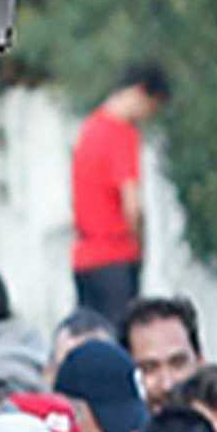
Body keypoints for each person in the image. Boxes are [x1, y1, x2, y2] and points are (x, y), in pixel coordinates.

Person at [66, 62, 165, 320]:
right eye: (152, 108)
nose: (147, 117)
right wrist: (141, 245)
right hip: (116, 257)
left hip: (84, 260)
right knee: (122, 336)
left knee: (92, 333)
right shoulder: (122, 133)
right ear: (141, 93)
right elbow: (132, 204)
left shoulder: (89, 128)